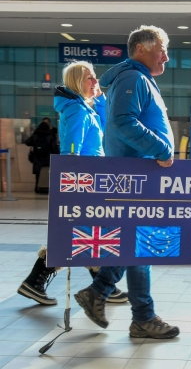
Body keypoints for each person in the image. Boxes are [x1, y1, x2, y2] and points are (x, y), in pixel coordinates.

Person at [74, 25, 179, 339]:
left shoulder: (136, 78)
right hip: (135, 176)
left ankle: (107, 296)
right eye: (162, 50)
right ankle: (138, 314)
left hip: (136, 175)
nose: (167, 57)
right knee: (139, 245)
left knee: (136, 245)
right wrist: (161, 149)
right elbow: (122, 123)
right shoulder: (133, 78)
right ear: (141, 49)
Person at [18, 61, 127, 305]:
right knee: (85, 231)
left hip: (91, 179)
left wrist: (98, 98)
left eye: (95, 77)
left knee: (85, 231)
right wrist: (74, 187)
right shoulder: (77, 111)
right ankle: (97, 285)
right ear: (78, 82)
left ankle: (96, 285)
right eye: (90, 78)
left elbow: (104, 119)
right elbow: (71, 152)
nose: (95, 82)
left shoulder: (83, 109)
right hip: (84, 181)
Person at [25, 121, 58, 194]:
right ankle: (46, 188)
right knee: (47, 173)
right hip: (47, 158)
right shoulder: (50, 135)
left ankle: (37, 188)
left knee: (37, 174)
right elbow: (54, 147)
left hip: (37, 158)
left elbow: (27, 142)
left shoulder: (35, 134)